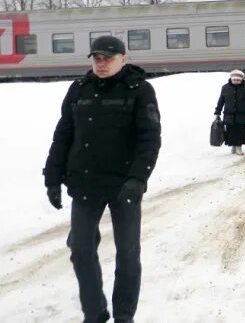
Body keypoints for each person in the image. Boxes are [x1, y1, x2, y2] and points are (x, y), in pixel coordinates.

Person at [43, 35, 162, 323]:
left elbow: (150, 139)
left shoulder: (140, 91)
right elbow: (63, 135)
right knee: (81, 251)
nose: (102, 63)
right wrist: (52, 177)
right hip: (85, 183)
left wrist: (137, 180)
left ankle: (124, 315)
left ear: (123, 58)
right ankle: (95, 313)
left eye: (108, 57)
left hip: (124, 186)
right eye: (97, 58)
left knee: (128, 255)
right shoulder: (79, 89)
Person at [214, 69, 245, 155]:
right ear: (231, 79)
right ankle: (233, 146)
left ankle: (238, 147)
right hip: (229, 115)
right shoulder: (225, 88)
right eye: (234, 80)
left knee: (240, 131)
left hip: (241, 115)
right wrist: (218, 111)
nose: (236, 81)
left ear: (241, 80)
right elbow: (221, 100)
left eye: (238, 80)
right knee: (230, 131)